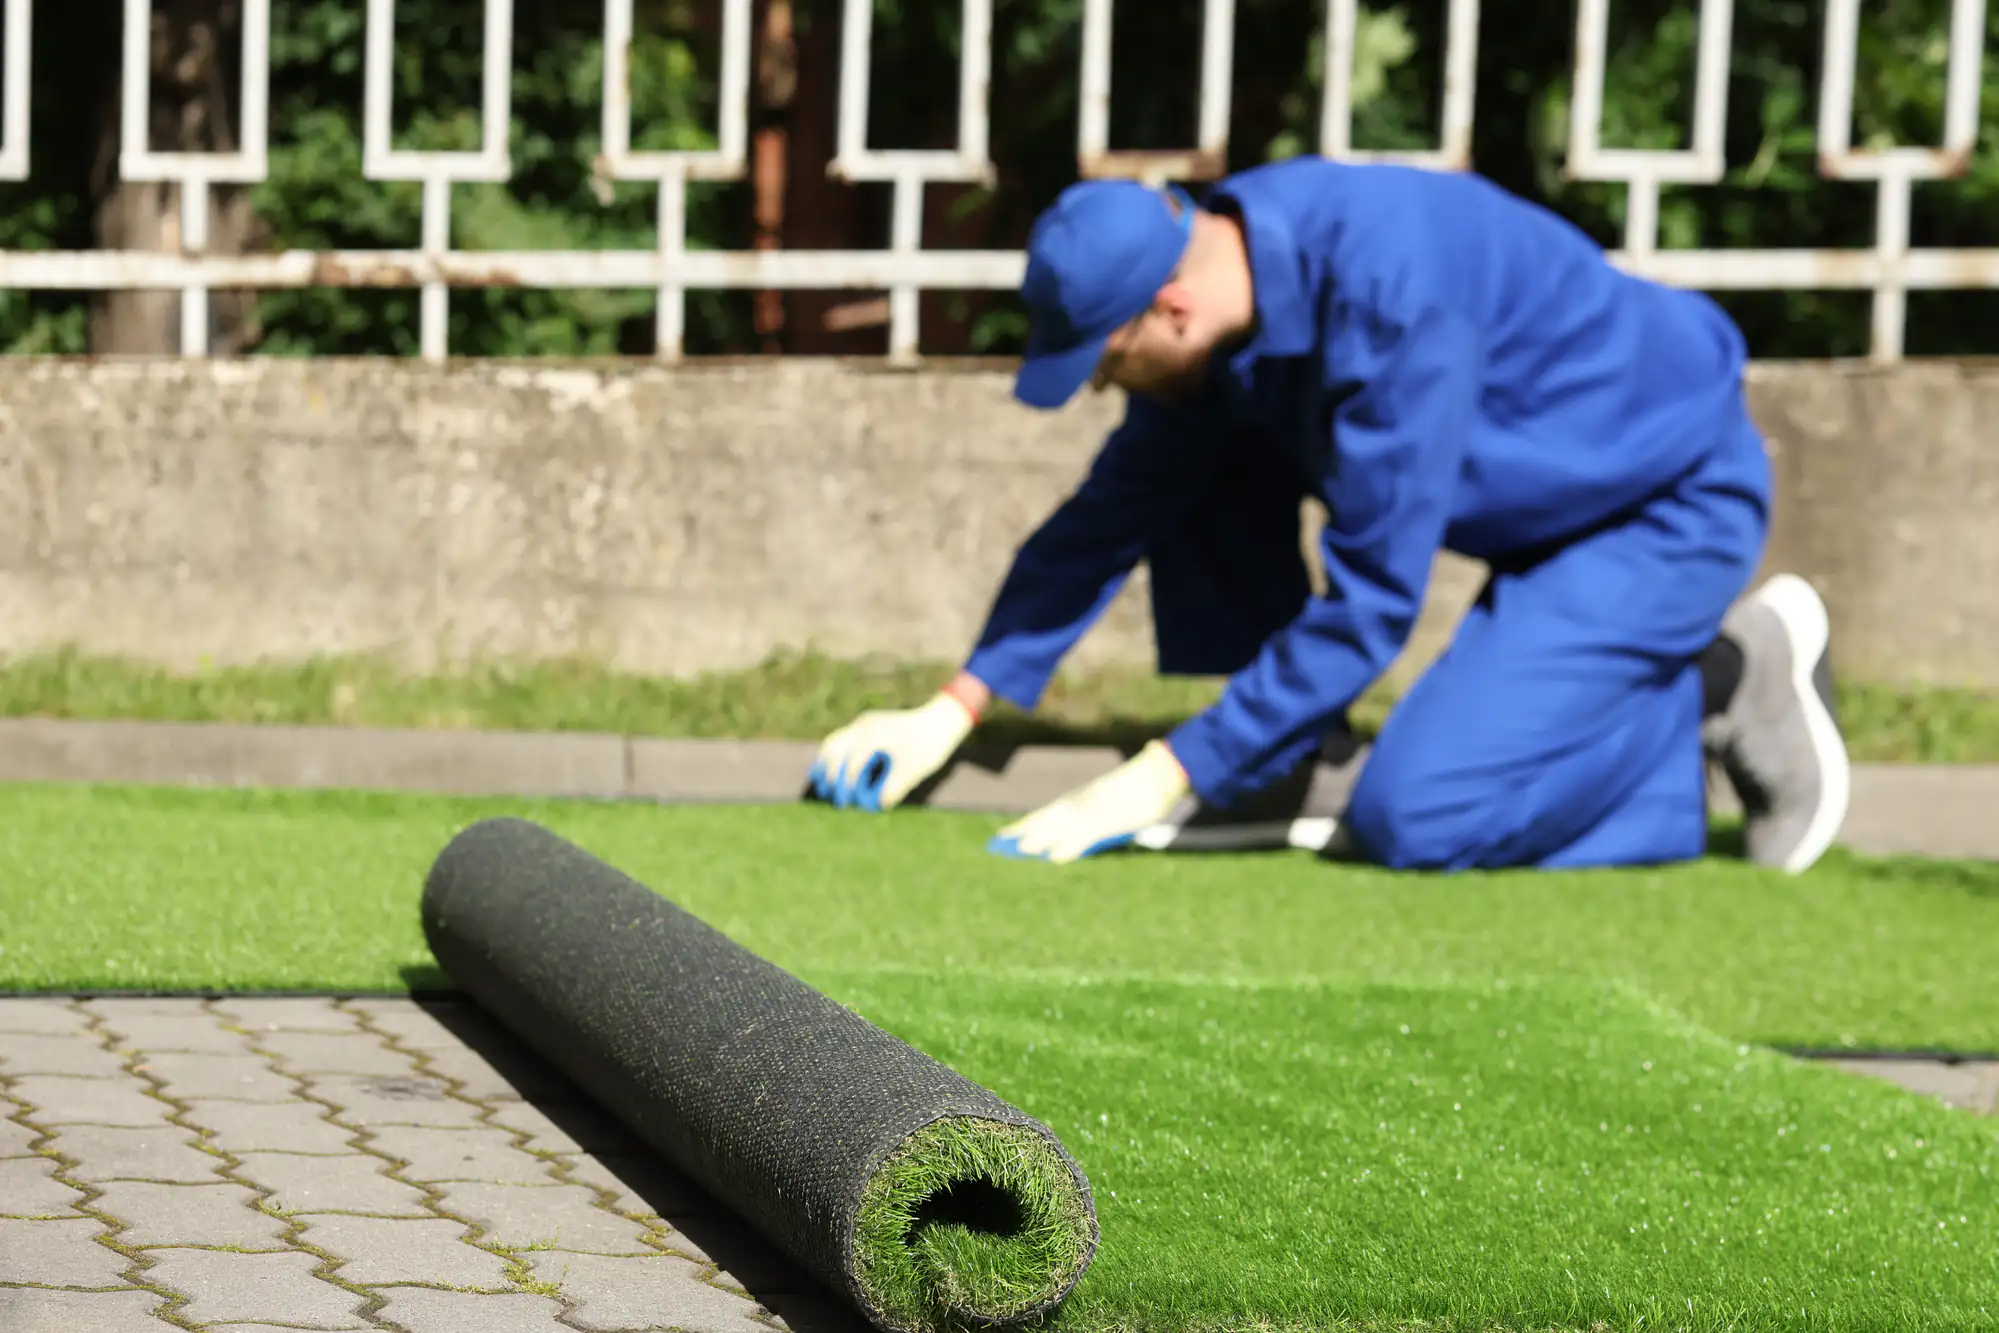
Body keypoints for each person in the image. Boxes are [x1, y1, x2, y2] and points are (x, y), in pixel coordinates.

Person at [806, 158, 1851, 874]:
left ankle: (1721, 684)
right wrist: (954, 705)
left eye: (1106, 363)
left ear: (1168, 307)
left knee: (1418, 814)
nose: (1098, 388)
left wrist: (1160, 775)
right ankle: (1273, 748)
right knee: (1191, 451)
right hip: (1546, 505)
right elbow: (1108, 514)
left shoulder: (1392, 300)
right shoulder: (1229, 262)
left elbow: (1370, 609)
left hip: (1658, 504)